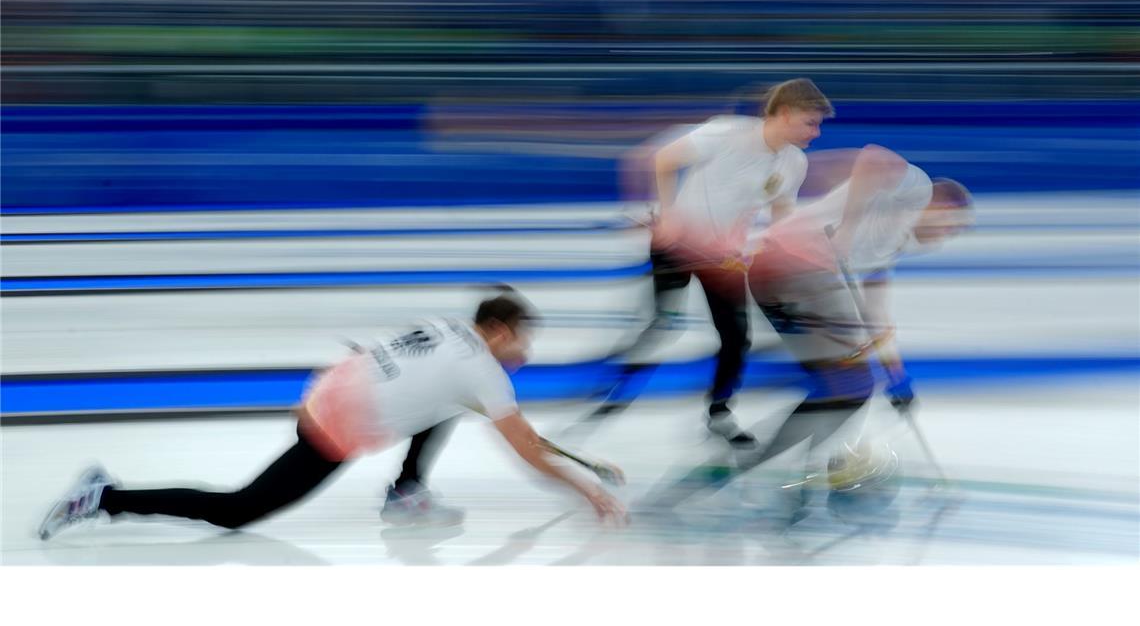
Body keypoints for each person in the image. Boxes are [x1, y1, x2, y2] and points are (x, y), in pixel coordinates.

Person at [38, 289, 626, 540]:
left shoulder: (449, 330)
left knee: (446, 405)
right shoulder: (482, 372)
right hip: (336, 425)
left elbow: (394, 363)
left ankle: (407, 490)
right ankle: (105, 497)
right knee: (239, 511)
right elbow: (523, 446)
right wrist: (588, 489)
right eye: (521, 338)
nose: (526, 351)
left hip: (330, 389)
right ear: (496, 330)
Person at [639, 145, 973, 515]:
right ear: (939, 206)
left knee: (842, 387)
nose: (946, 236)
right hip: (793, 268)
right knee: (852, 385)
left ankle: (758, 469)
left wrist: (897, 376)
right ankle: (790, 473)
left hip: (779, 276)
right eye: (950, 225)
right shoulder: (917, 190)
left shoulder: (894, 244)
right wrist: (847, 229)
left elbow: (875, 316)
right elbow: (873, 159)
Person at [579, 78, 835, 445]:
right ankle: (611, 390)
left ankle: (719, 413)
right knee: (662, 325)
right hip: (676, 246)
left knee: (736, 337)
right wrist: (668, 217)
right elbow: (663, 159)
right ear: (784, 113)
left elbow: (781, 220)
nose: (816, 132)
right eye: (810, 123)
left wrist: (780, 248)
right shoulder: (726, 133)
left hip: (722, 260)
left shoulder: (795, 163)